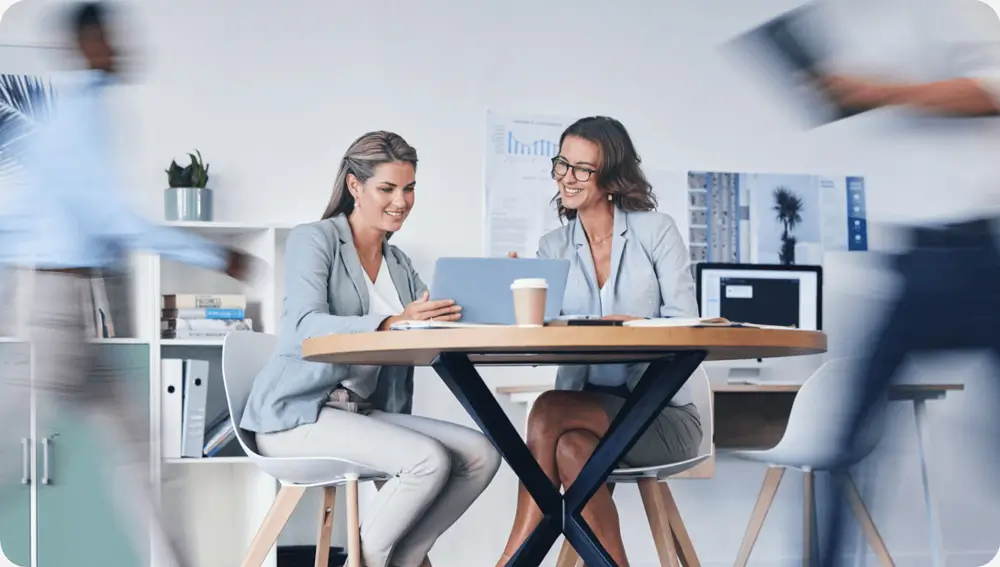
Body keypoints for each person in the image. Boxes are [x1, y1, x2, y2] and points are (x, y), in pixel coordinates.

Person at [0, 2, 257, 567]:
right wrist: (210, 252)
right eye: (110, 38)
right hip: (60, 308)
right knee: (16, 440)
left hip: (73, 304)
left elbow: (31, 216)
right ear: (88, 43)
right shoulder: (80, 114)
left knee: (139, 451)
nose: (121, 48)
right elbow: (111, 216)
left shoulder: (77, 109)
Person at [771, 0, 1000, 564]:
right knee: (843, 443)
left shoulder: (951, 10)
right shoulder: (859, 23)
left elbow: (991, 91)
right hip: (914, 262)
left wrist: (876, 92)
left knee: (849, 439)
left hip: (977, 256)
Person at [240, 130, 502, 567]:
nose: (401, 201)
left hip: (361, 413)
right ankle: (366, 560)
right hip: (298, 414)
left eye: (410, 188)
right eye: (388, 188)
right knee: (427, 460)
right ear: (355, 187)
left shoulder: (398, 264)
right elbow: (305, 326)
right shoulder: (315, 239)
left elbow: (426, 325)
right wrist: (391, 322)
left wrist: (490, 297)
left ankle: (405, 557)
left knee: (481, 454)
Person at [499, 116, 703, 567]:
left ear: (611, 177)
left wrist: (632, 325)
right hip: (587, 413)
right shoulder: (553, 246)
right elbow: (541, 336)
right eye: (561, 165)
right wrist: (509, 292)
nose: (567, 179)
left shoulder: (656, 231)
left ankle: (513, 557)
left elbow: (688, 327)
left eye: (582, 169)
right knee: (570, 447)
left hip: (660, 415)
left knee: (548, 409)